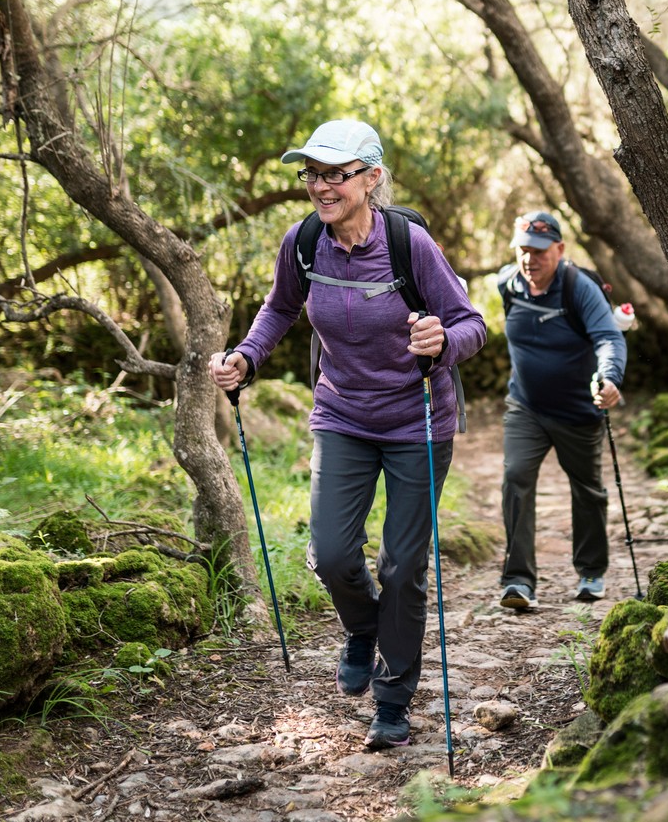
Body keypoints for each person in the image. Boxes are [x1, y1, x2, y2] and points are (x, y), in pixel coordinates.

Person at [208, 119, 485, 751]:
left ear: (371, 178)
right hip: (342, 416)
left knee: (403, 564)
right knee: (333, 555)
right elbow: (279, 307)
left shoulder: (409, 244)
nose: (322, 187)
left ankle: (392, 697)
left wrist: (442, 342)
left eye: (337, 174)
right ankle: (362, 628)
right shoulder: (304, 243)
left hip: (417, 419)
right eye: (313, 174)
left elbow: (472, 324)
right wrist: (247, 357)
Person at [496, 210, 627, 610]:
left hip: (577, 410)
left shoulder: (578, 287)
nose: (529, 259)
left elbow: (608, 337)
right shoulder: (508, 284)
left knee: (587, 491)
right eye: (523, 250)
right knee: (515, 477)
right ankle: (518, 580)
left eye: (538, 251)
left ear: (559, 249)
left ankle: (591, 571)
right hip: (526, 406)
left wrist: (609, 378)